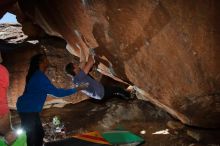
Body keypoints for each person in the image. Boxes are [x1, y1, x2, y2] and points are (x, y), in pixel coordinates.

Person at [16, 53, 88, 146]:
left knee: (38, 134)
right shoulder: (39, 76)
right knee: (33, 135)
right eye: (45, 59)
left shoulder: (38, 75)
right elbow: (57, 93)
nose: (47, 60)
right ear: (40, 62)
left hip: (28, 108)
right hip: (27, 109)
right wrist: (77, 88)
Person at [65, 51, 133, 101]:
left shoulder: (75, 78)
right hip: (100, 93)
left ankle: (123, 97)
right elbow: (90, 62)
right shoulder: (79, 78)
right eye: (75, 65)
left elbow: (82, 62)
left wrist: (82, 48)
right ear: (74, 69)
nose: (77, 65)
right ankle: (129, 97)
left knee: (113, 92)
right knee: (117, 89)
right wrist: (91, 52)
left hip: (97, 91)